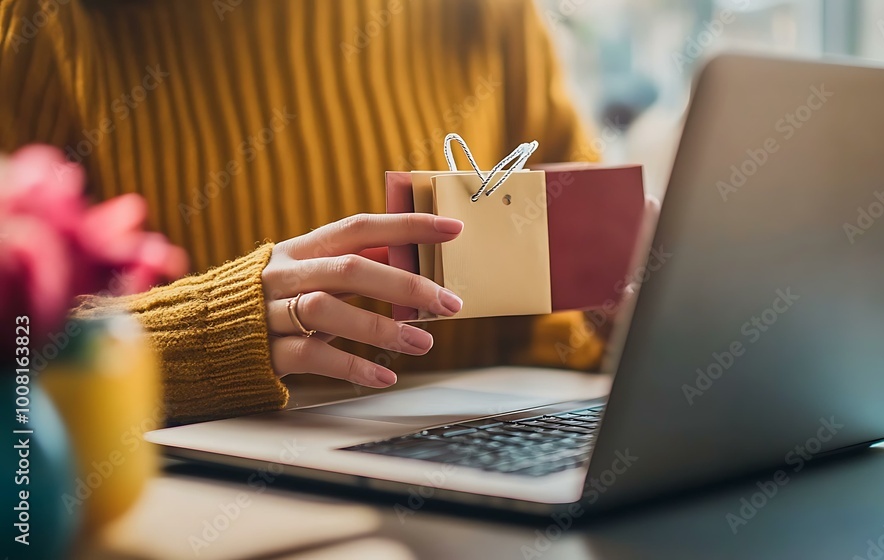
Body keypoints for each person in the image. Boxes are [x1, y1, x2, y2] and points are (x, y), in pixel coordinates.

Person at [0, 0, 615, 424]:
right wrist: (207, 336)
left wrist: (620, 317)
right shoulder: (39, 28)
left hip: (492, 467)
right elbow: (17, 350)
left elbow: (580, 287)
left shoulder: (490, 12)